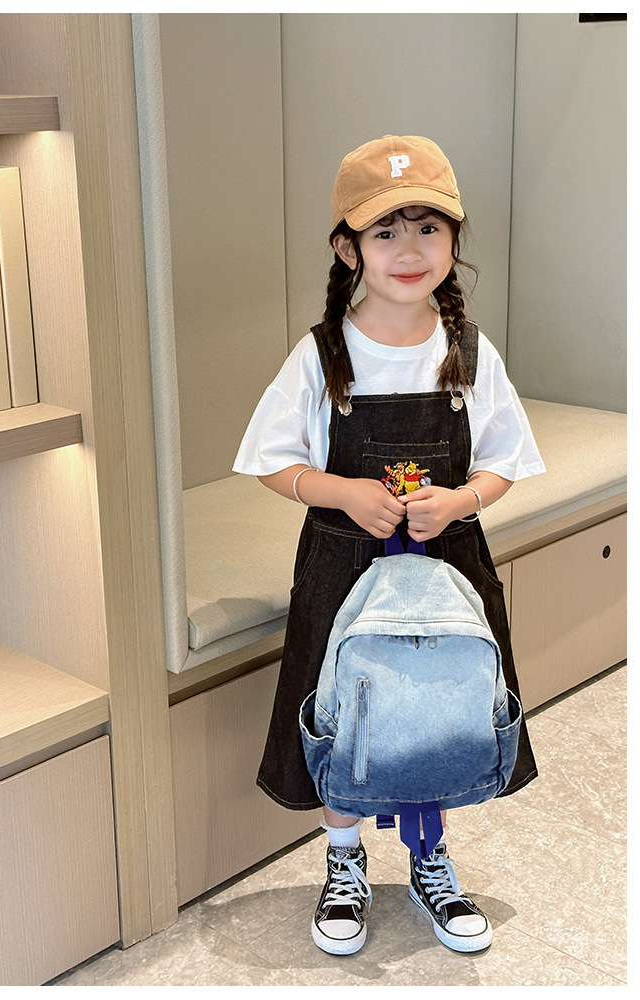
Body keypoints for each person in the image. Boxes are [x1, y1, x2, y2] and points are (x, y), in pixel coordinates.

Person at [232, 135, 545, 956]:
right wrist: (342, 492)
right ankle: (344, 861)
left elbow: (505, 462)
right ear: (348, 248)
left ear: (454, 240)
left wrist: (462, 500)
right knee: (346, 712)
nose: (410, 251)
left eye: (428, 228)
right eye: (386, 231)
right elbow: (269, 461)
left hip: (449, 566)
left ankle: (430, 859)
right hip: (343, 568)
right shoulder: (322, 354)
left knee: (438, 708)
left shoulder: (469, 352)